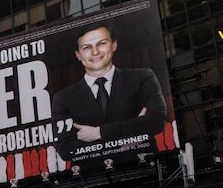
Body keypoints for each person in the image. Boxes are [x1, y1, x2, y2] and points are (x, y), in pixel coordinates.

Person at [51, 23, 167, 164]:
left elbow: (156, 121)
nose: (95, 52)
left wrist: (99, 133)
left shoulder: (142, 78)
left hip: (144, 170)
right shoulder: (63, 98)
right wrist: (128, 140)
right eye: (87, 47)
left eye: (101, 43)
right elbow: (66, 149)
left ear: (114, 45)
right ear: (78, 55)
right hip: (93, 181)